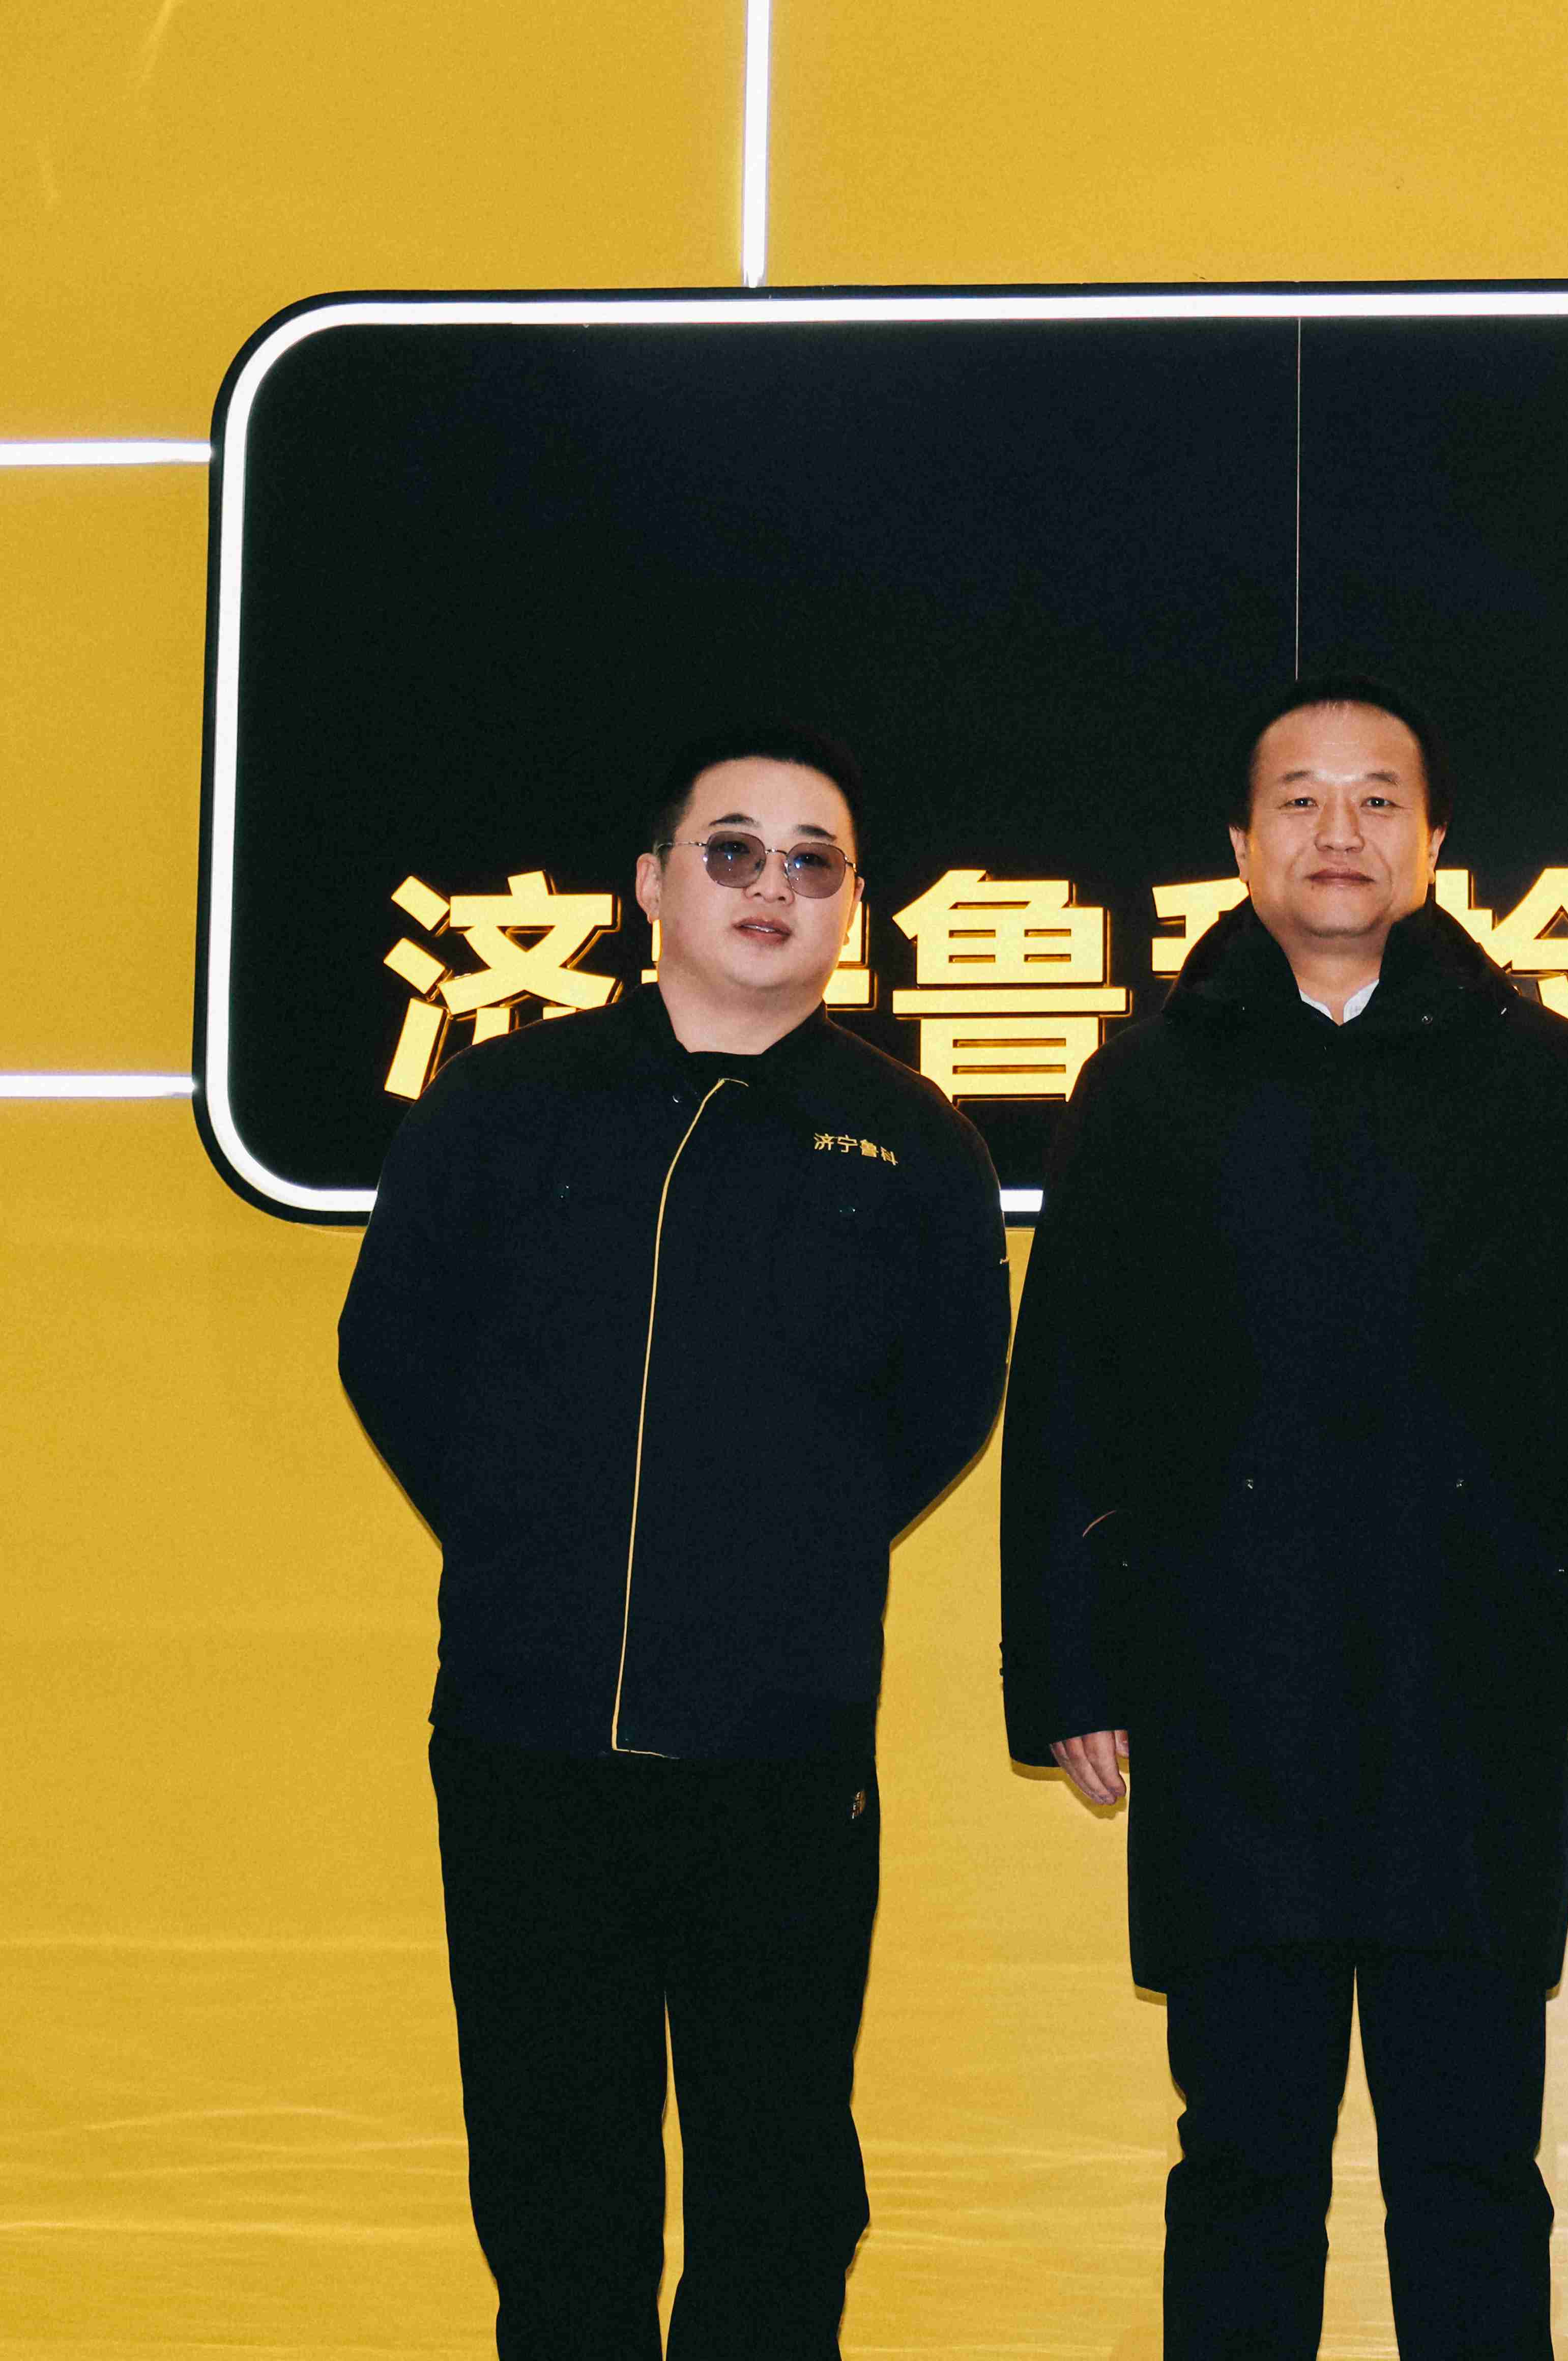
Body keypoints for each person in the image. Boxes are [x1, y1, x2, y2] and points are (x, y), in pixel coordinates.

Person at [1000, 675, 1568, 2361]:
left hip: (1478, 1692)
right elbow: (1069, 1389)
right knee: (1243, 2164)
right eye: (1300, 799)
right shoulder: (1145, 1080)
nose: (1340, 831)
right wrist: (1074, 1671)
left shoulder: (1540, 1075)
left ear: (1433, 844)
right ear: (1242, 846)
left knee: (1473, 2164)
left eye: (1379, 799)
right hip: (1225, 1693)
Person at [338, 724, 1012, 2358]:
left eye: (814, 861)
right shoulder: (506, 1106)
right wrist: (524, 1529)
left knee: (781, 2198)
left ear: (853, 907)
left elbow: (944, 1403)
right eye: (734, 850)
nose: (773, 885)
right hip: (528, 1747)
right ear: (651, 883)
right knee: (557, 2195)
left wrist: (788, 1553)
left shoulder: (912, 1142)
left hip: (781, 1763)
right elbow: (394, 1353)